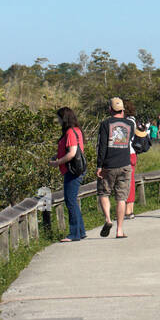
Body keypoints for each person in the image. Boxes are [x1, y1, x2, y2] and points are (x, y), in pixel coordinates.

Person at [95, 97, 137, 238]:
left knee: (104, 193)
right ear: (123, 110)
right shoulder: (130, 124)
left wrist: (99, 165)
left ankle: (108, 219)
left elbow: (102, 146)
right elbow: (130, 140)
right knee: (121, 198)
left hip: (109, 165)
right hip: (125, 164)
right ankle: (119, 230)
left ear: (110, 109)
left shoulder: (105, 124)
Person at [50, 106, 86, 242]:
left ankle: (74, 233)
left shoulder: (70, 132)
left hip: (72, 170)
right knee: (72, 201)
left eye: (59, 118)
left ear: (63, 118)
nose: (58, 120)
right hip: (74, 169)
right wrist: (57, 156)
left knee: (70, 201)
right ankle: (80, 231)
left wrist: (57, 162)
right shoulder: (77, 130)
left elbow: (72, 153)